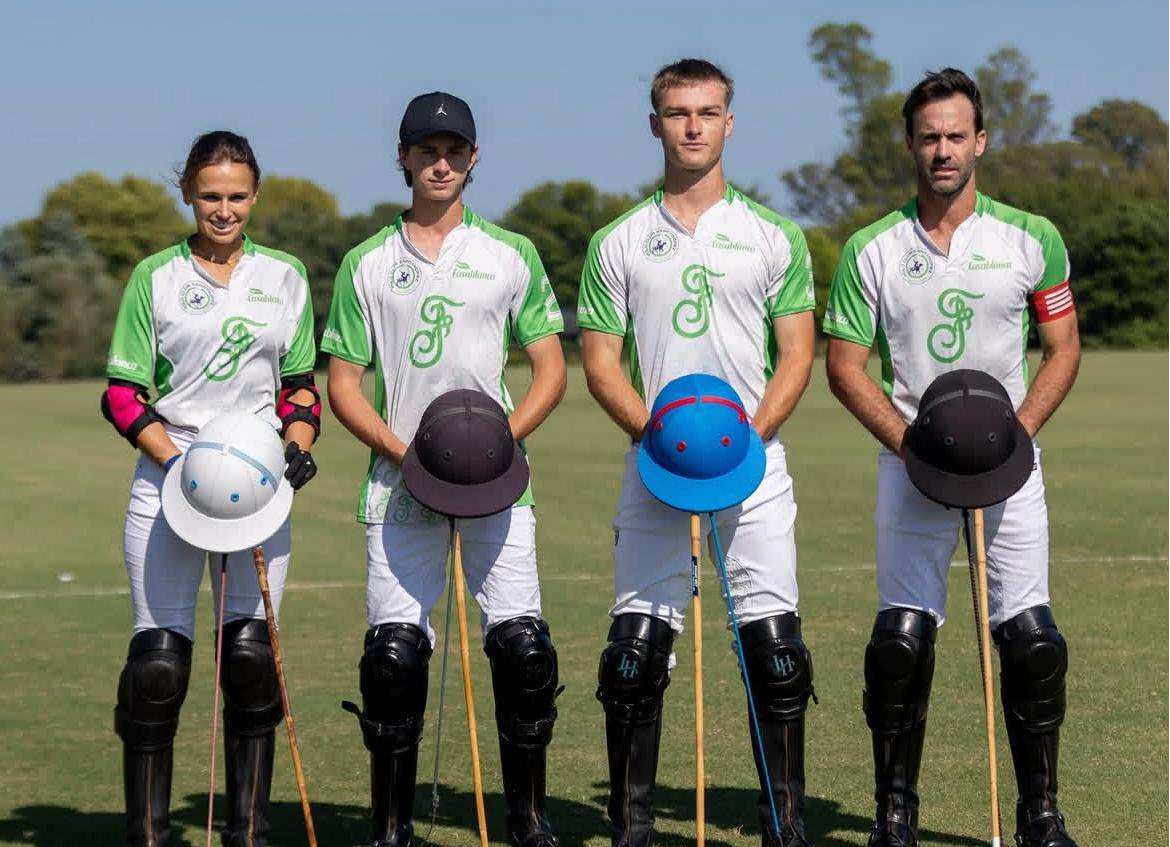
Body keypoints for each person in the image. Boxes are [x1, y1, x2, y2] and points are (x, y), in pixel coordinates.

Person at [823, 68, 1081, 847]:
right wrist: (913, 448)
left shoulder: (1032, 238)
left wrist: (1017, 434)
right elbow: (844, 365)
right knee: (900, 642)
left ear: (982, 140)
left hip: (1011, 472)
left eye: (956, 134)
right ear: (910, 143)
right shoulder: (872, 248)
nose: (943, 149)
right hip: (910, 472)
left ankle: (1040, 814)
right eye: (928, 135)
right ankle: (894, 815)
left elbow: (1062, 348)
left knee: (1033, 640)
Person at [577, 59, 818, 847]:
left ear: (729, 124)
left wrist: (747, 437)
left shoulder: (773, 235)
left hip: (755, 464)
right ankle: (633, 827)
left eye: (708, 112)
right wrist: (660, 435)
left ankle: (784, 823)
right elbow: (601, 362)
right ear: (655, 123)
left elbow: (795, 356)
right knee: (634, 654)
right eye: (677, 112)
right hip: (655, 463)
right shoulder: (618, 241)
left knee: (776, 652)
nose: (692, 126)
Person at [322, 91, 567, 847]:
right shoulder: (366, 262)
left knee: (524, 652)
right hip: (399, 487)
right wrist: (413, 456)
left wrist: (498, 442)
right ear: (401, 158)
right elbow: (342, 382)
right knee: (392, 660)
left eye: (455, 149)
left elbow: (550, 368)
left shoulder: (511, 255)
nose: (441, 162)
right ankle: (391, 827)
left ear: (474, 156)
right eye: (426, 150)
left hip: (498, 486)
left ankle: (527, 818)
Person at [102, 130, 320, 846]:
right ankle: (149, 834)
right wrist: (181, 466)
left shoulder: (285, 276)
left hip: (257, 491)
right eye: (208, 196)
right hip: (170, 480)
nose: (222, 210)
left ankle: (248, 832)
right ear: (188, 196)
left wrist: (298, 446)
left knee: (251, 658)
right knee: (158, 663)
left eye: (235, 196)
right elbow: (125, 396)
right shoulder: (154, 277)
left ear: (254, 196)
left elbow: (299, 389)